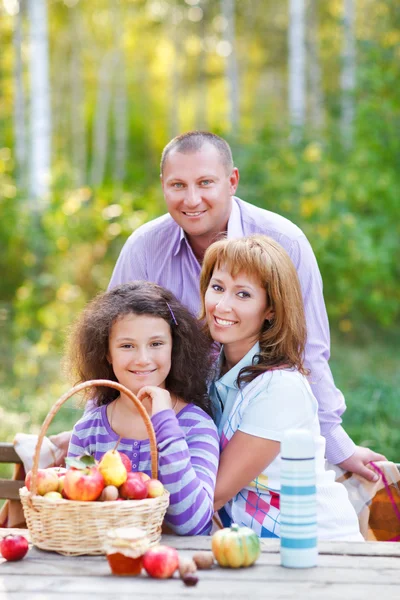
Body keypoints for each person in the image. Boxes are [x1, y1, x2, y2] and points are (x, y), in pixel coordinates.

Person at [106, 130, 385, 482]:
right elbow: (113, 340)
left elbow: (308, 349)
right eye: (178, 185)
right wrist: (99, 427)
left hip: (254, 422)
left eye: (205, 182)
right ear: (163, 185)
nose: (192, 199)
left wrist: (335, 441)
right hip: (168, 420)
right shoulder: (144, 247)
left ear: (232, 180)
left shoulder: (284, 242)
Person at [199, 234, 363, 540]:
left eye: (243, 295)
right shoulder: (212, 371)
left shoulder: (280, 388)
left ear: (271, 309)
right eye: (218, 287)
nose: (222, 305)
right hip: (257, 547)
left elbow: (214, 494)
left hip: (320, 548)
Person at [65, 281, 219, 536]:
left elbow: (192, 523)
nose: (143, 359)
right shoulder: (87, 430)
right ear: (107, 354)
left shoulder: (196, 426)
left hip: (177, 567)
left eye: (156, 344)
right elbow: (78, 519)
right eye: (127, 346)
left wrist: (164, 421)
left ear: (174, 347)